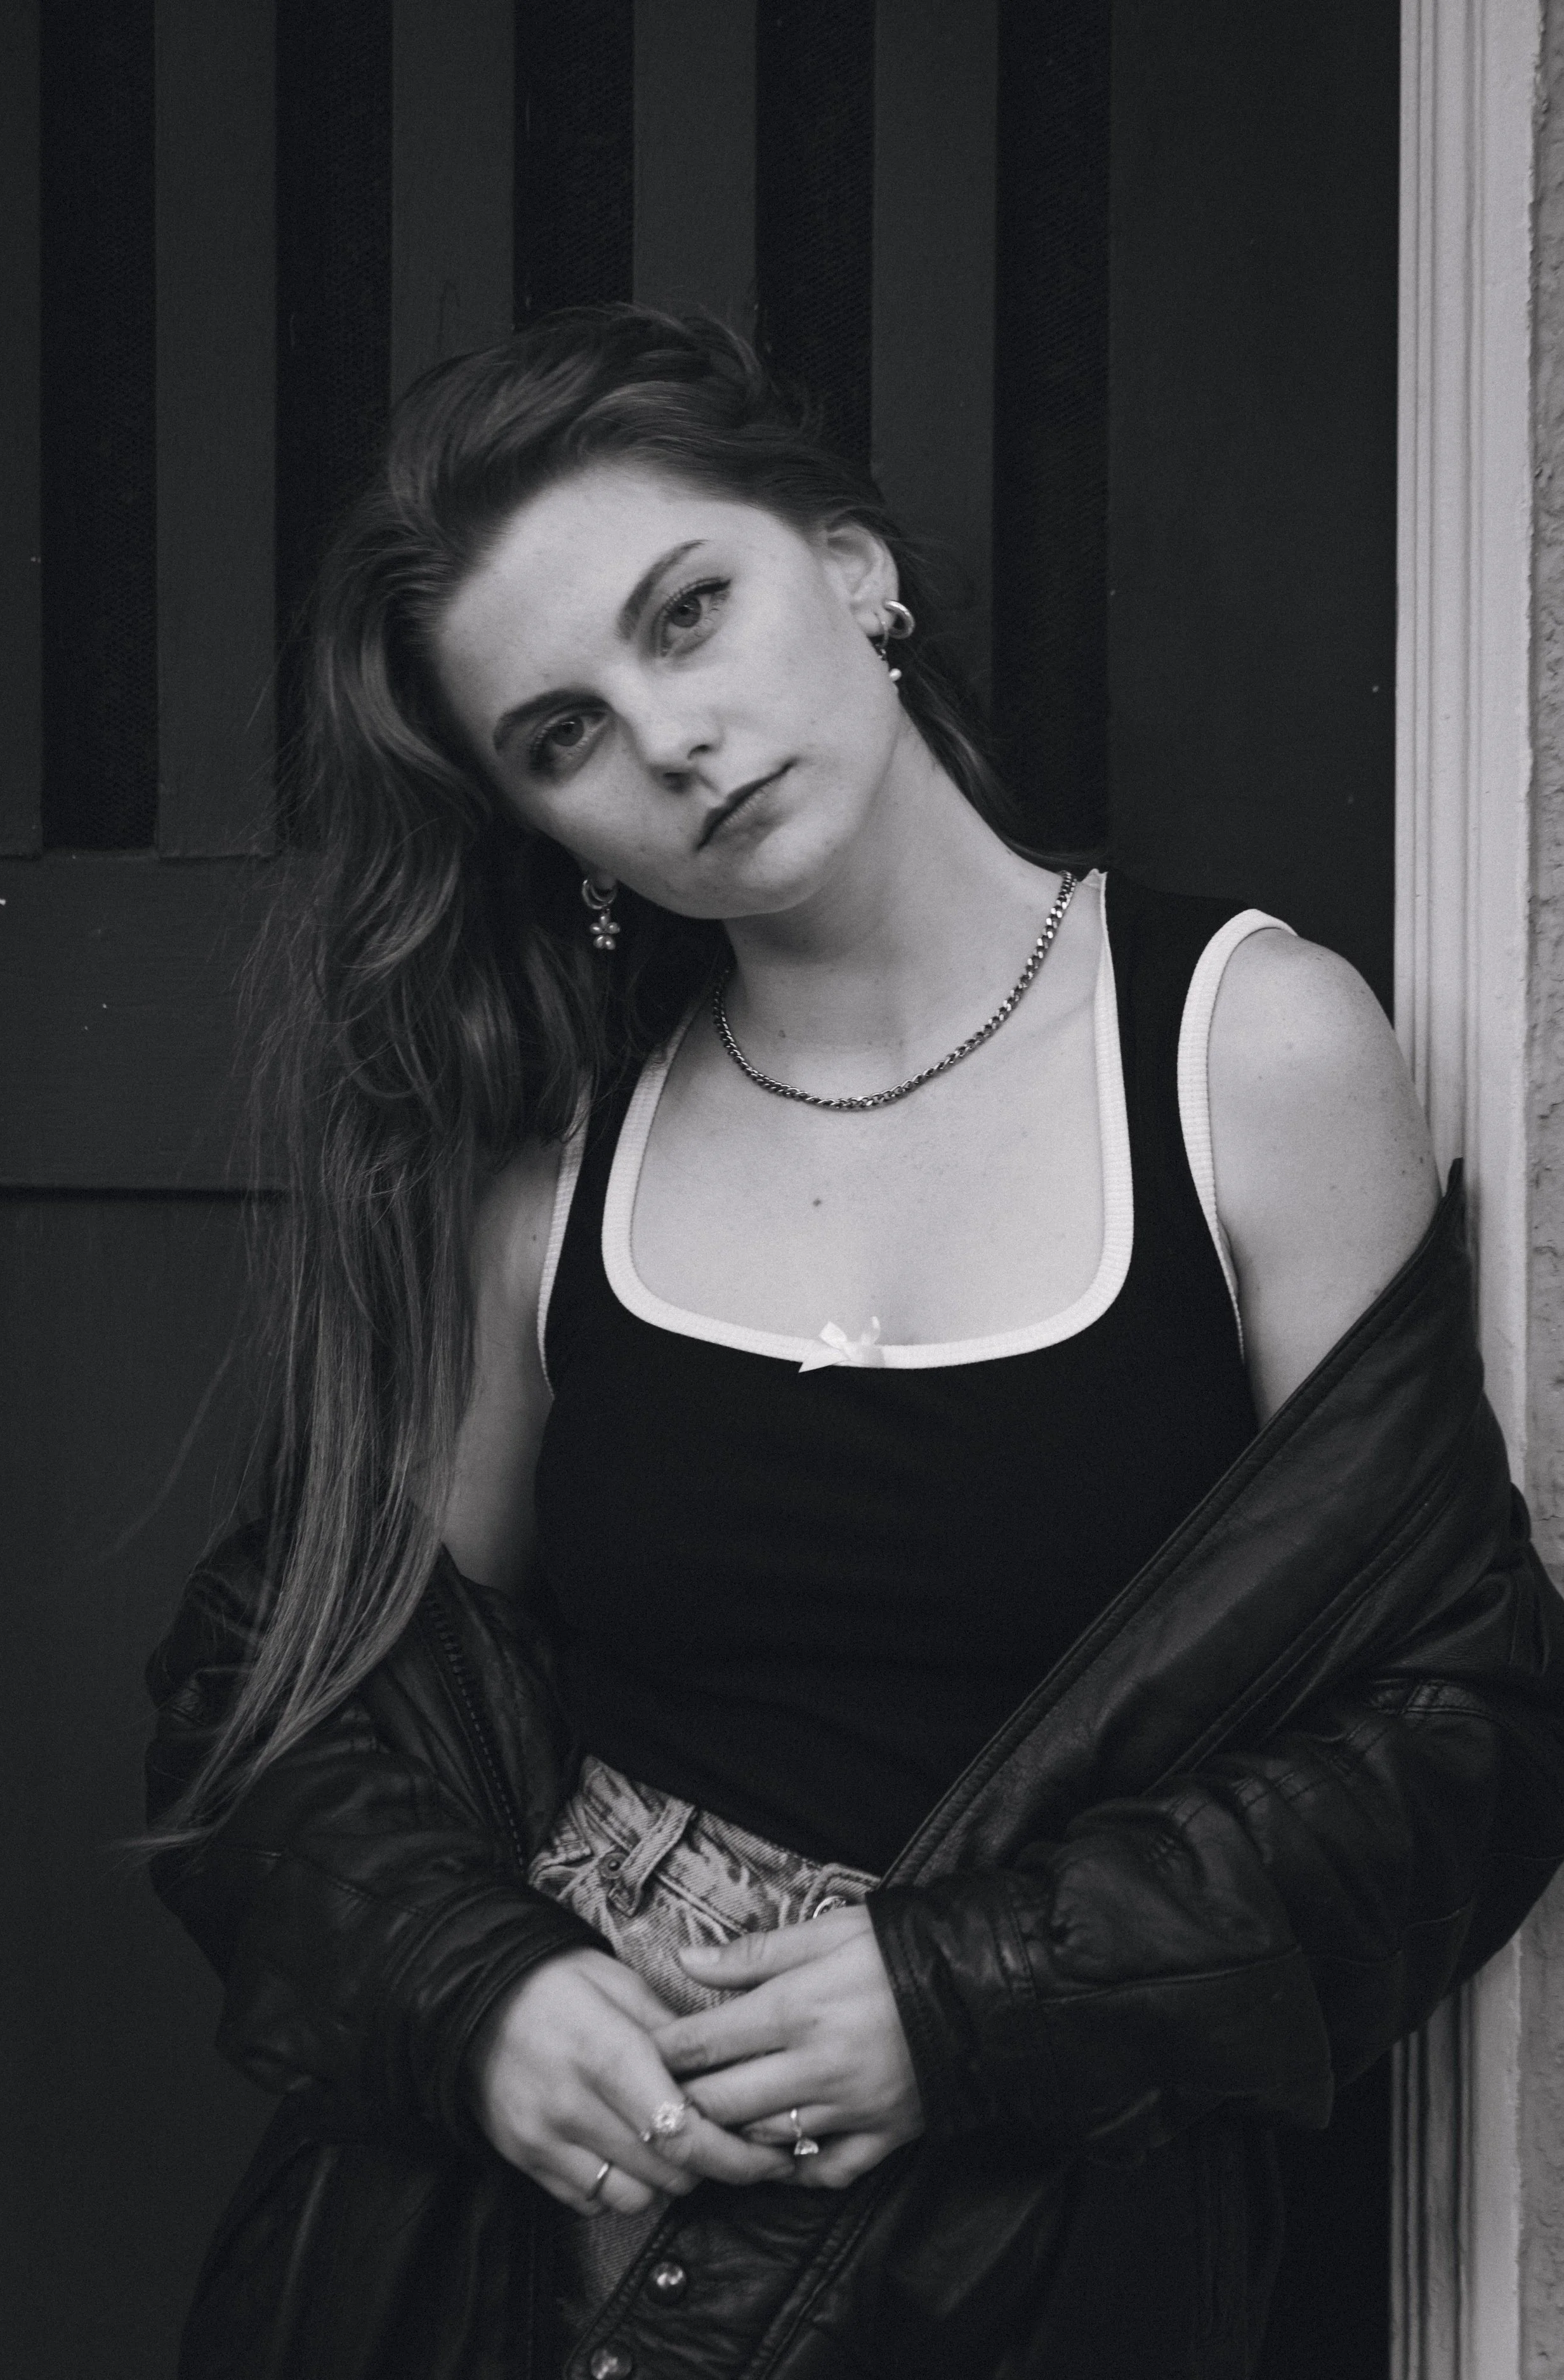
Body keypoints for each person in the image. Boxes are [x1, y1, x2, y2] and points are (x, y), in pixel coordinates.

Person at [147, 308, 1564, 2380]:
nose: (673, 736)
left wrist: (962, 1994)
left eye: (688, 611)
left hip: (1027, 2271)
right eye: (561, 733)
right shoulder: (558, 1166)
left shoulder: (1243, 1050)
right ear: (548, 831)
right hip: (525, 2273)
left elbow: (1463, 1729)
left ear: (853, 568)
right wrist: (481, 1995)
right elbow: (273, 1700)